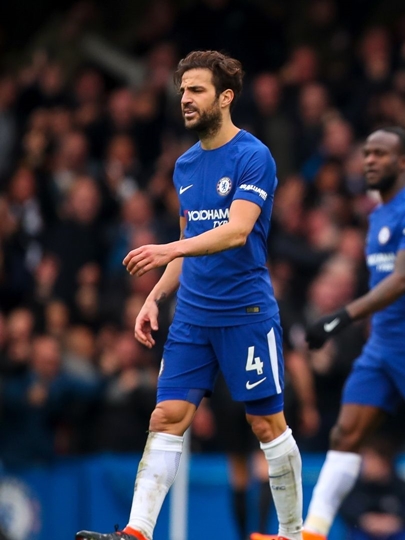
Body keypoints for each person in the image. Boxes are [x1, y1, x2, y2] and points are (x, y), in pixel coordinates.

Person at [76, 51, 304, 540]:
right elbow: (190, 241)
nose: (185, 98)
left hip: (245, 313)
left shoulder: (253, 156)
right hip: (193, 317)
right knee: (166, 416)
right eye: (182, 90)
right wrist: (155, 296)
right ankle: (136, 532)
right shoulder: (184, 165)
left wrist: (167, 248)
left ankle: (291, 533)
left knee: (266, 424)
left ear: (225, 97)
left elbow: (236, 231)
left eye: (197, 89)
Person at [253, 127, 405, 540]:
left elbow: (403, 279)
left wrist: (340, 318)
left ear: (404, 162)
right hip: (381, 343)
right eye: (366, 153)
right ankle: (312, 532)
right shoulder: (379, 213)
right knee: (345, 433)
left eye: (380, 154)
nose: (369, 161)